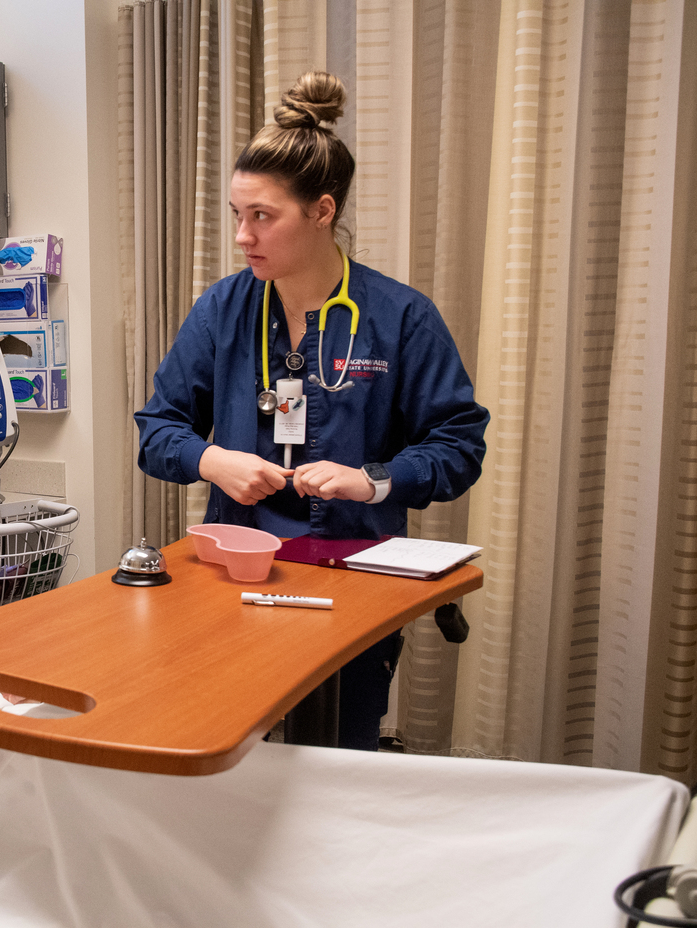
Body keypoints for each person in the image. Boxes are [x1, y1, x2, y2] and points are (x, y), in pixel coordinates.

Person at [135, 71, 489, 751]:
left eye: (262, 216)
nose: (242, 235)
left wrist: (373, 479)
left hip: (355, 582)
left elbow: (458, 445)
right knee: (232, 752)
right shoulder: (222, 311)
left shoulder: (400, 318)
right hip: (236, 578)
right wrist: (212, 460)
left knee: (336, 755)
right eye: (238, 214)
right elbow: (158, 431)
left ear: (322, 212)